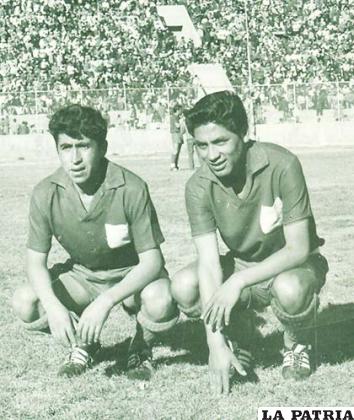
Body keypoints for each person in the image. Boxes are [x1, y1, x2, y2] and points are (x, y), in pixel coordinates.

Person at [171, 91, 328, 394]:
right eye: (201, 145)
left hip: (292, 264)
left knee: (290, 289)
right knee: (184, 286)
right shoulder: (198, 185)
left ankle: (297, 343)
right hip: (243, 264)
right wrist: (213, 343)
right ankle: (238, 340)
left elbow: (298, 248)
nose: (211, 155)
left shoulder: (282, 164)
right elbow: (207, 263)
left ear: (244, 134)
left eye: (220, 142)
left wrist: (237, 282)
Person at [12, 104, 178, 378]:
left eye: (83, 146)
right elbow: (34, 263)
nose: (75, 158)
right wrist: (54, 308)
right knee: (25, 301)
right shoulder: (45, 192)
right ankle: (84, 344)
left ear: (102, 147)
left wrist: (106, 302)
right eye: (66, 147)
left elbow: (152, 261)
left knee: (160, 300)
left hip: (132, 275)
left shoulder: (131, 187)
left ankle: (142, 345)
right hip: (84, 277)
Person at [169, 104, 183, 171]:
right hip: (175, 133)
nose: (181, 111)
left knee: (178, 150)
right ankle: (172, 165)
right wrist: (182, 121)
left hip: (178, 133)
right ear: (177, 110)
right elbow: (177, 125)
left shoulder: (176, 117)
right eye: (180, 110)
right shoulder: (174, 117)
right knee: (175, 149)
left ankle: (175, 165)